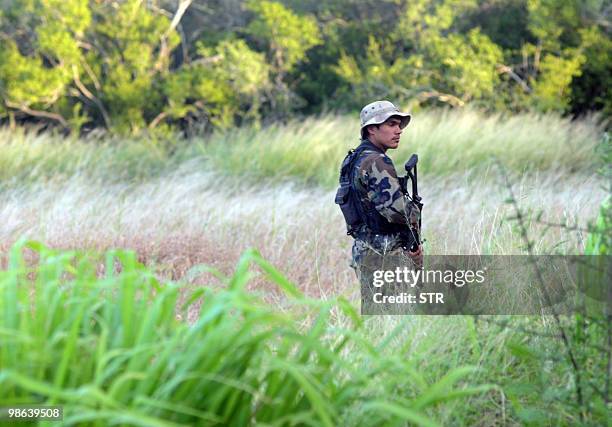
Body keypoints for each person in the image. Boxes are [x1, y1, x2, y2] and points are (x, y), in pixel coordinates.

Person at [336, 100, 423, 311]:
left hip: (365, 248)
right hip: (385, 252)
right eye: (391, 124)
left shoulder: (354, 159)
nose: (398, 130)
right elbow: (396, 211)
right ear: (372, 129)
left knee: (375, 316)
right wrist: (415, 211)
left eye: (399, 125)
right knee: (392, 318)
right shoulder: (376, 161)